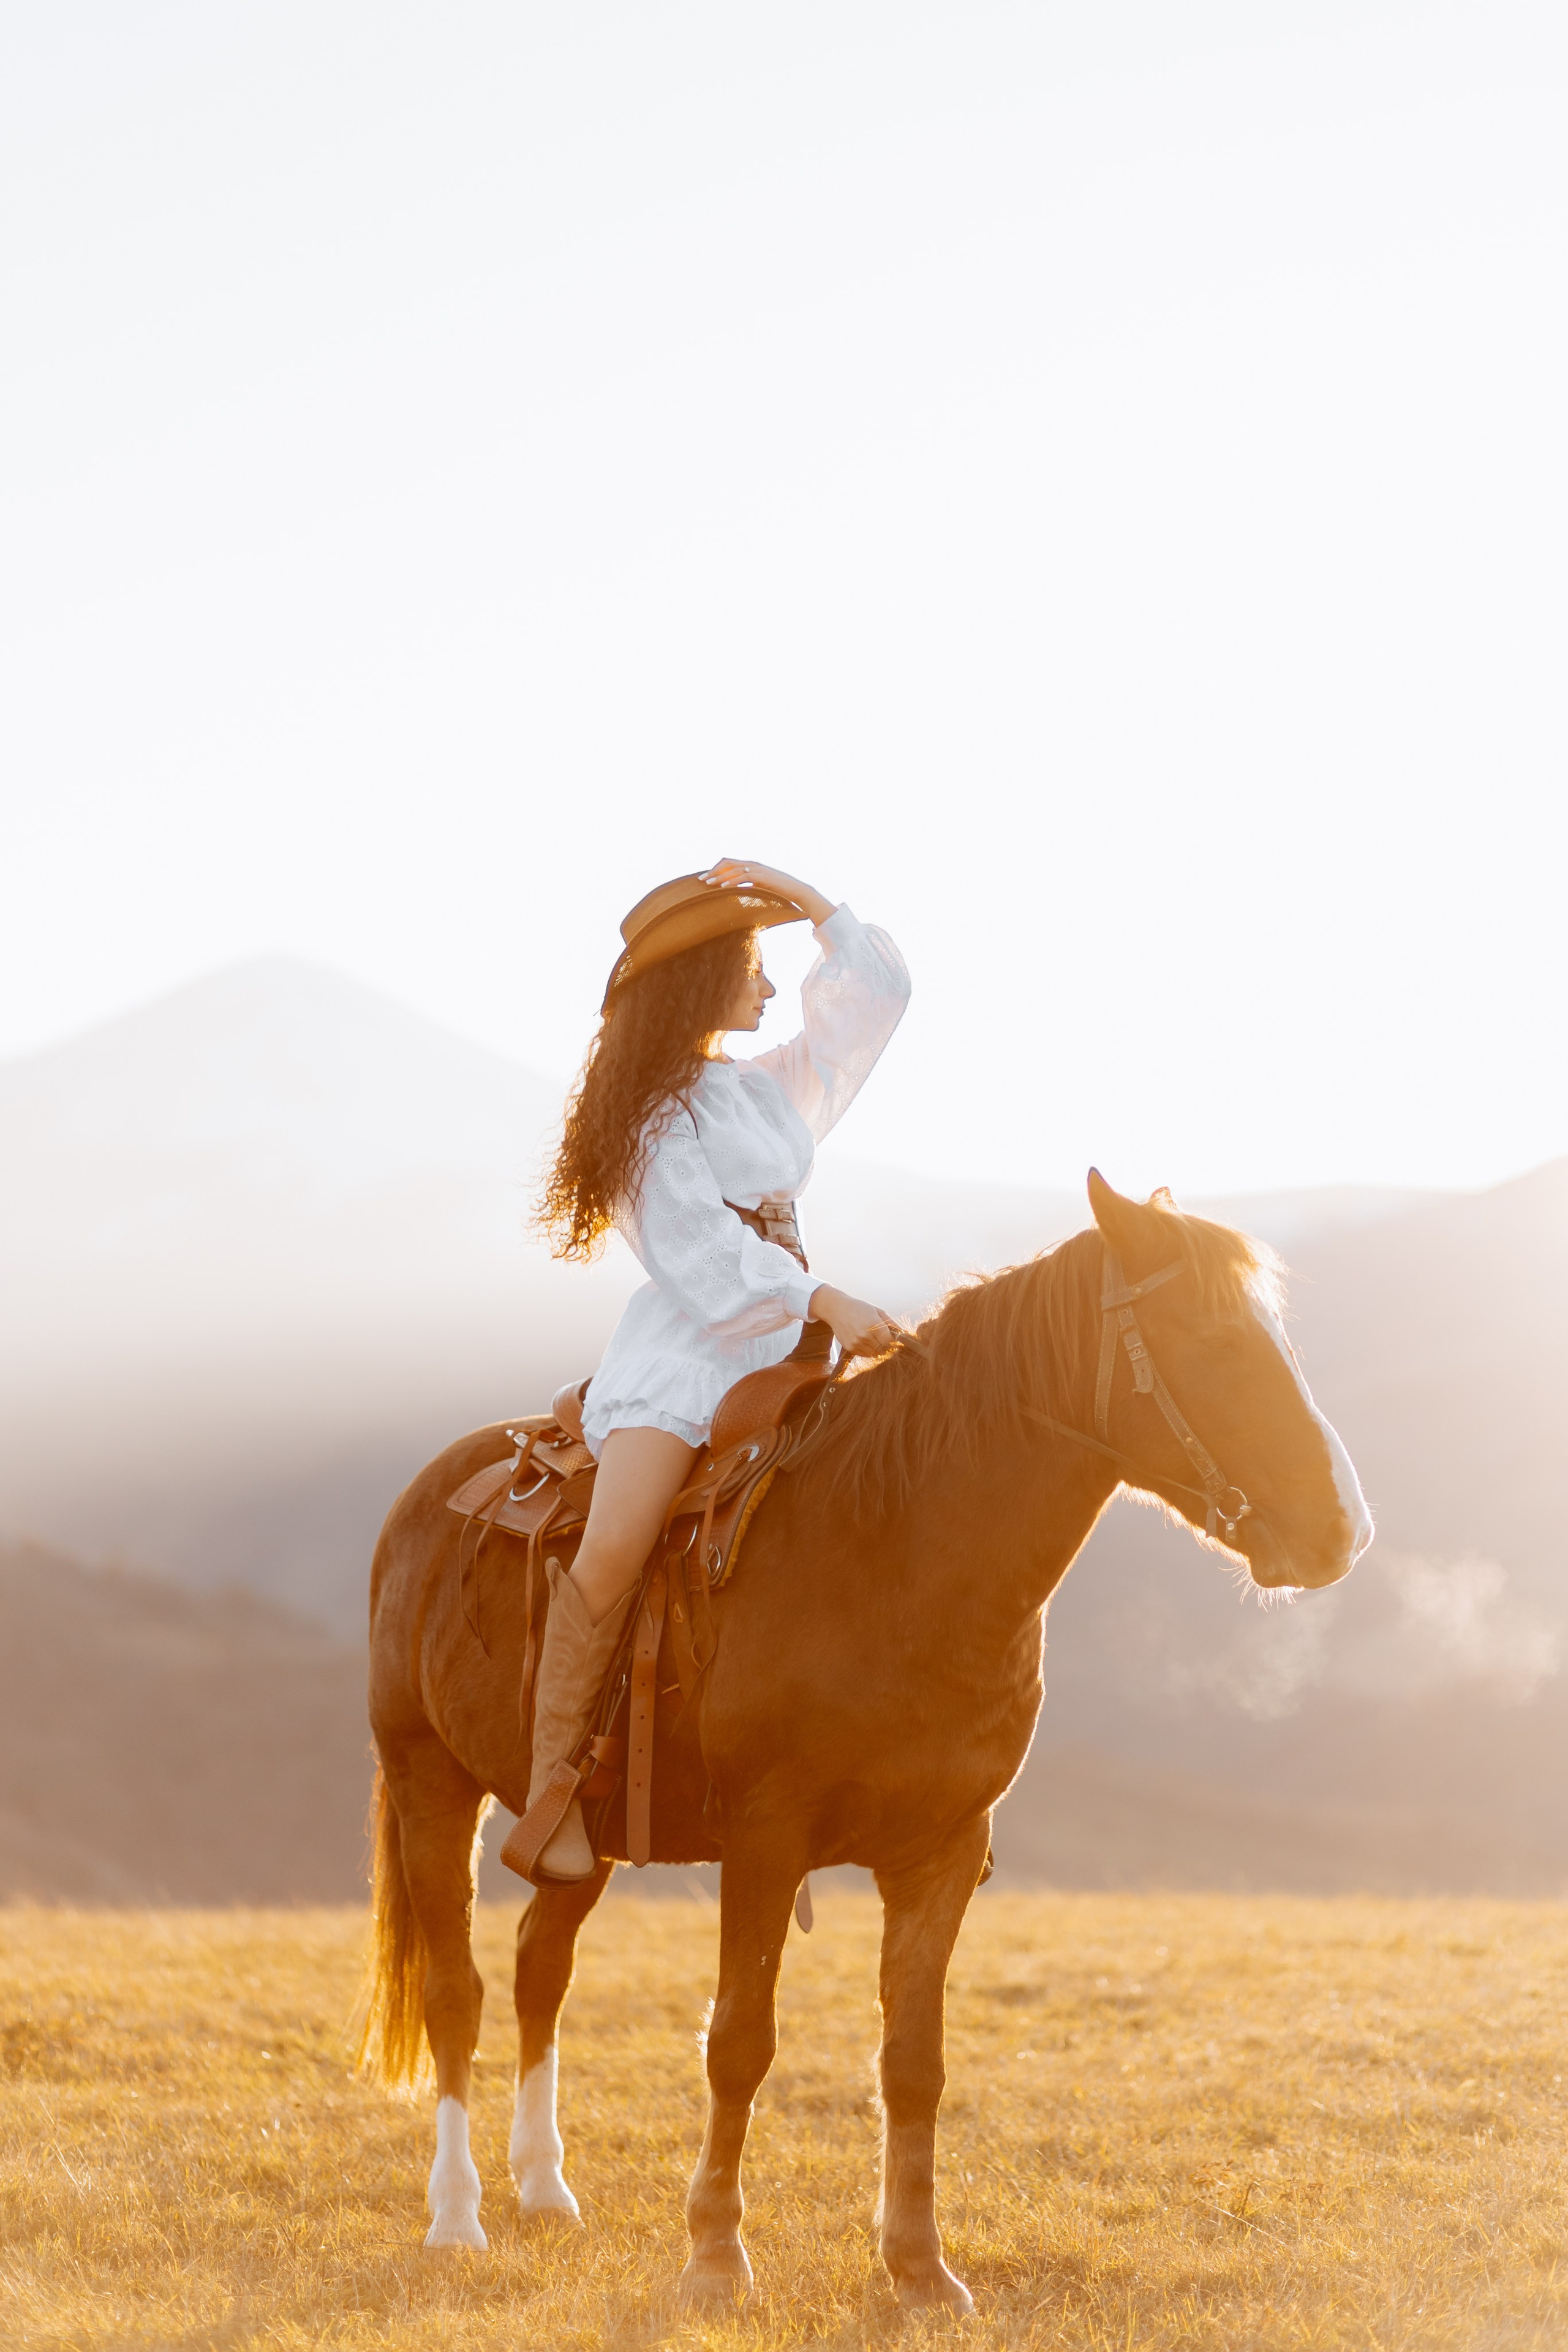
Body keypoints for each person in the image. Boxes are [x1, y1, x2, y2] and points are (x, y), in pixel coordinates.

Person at [525, 856, 911, 1880]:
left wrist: (812, 900)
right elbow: (698, 1255)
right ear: (700, 983)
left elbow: (875, 1002)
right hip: (693, 1349)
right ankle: (551, 1791)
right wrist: (821, 1296)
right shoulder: (652, 1117)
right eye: (752, 967)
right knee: (615, 1546)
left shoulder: (764, 1090)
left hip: (792, 1339)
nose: (774, 989)